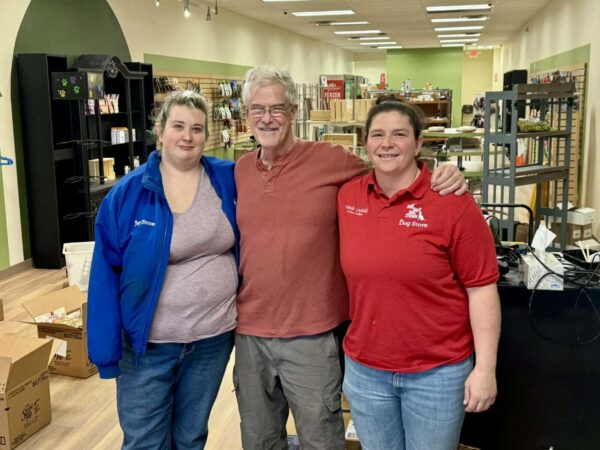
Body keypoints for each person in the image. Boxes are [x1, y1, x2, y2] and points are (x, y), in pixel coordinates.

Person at [233, 65, 468, 450]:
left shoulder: (331, 159)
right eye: (257, 109)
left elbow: (393, 168)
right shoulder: (239, 170)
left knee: (321, 440)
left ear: (294, 112)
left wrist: (445, 175)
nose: (267, 118)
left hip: (312, 334)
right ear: (246, 115)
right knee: (257, 440)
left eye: (277, 108)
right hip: (249, 333)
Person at [337, 97, 501, 450]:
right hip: (366, 371)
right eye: (377, 134)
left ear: (418, 143)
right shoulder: (348, 196)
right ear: (365, 143)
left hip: (437, 375)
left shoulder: (452, 202)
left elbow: (482, 289)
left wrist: (485, 368)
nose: (387, 143)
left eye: (399, 134)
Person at [87, 90, 239, 449]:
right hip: (148, 346)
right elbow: (104, 277)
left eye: (197, 129)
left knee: (190, 437)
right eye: (178, 126)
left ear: (206, 135)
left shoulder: (227, 178)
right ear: (160, 130)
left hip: (212, 339)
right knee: (145, 441)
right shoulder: (128, 195)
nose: (187, 136)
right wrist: (105, 353)